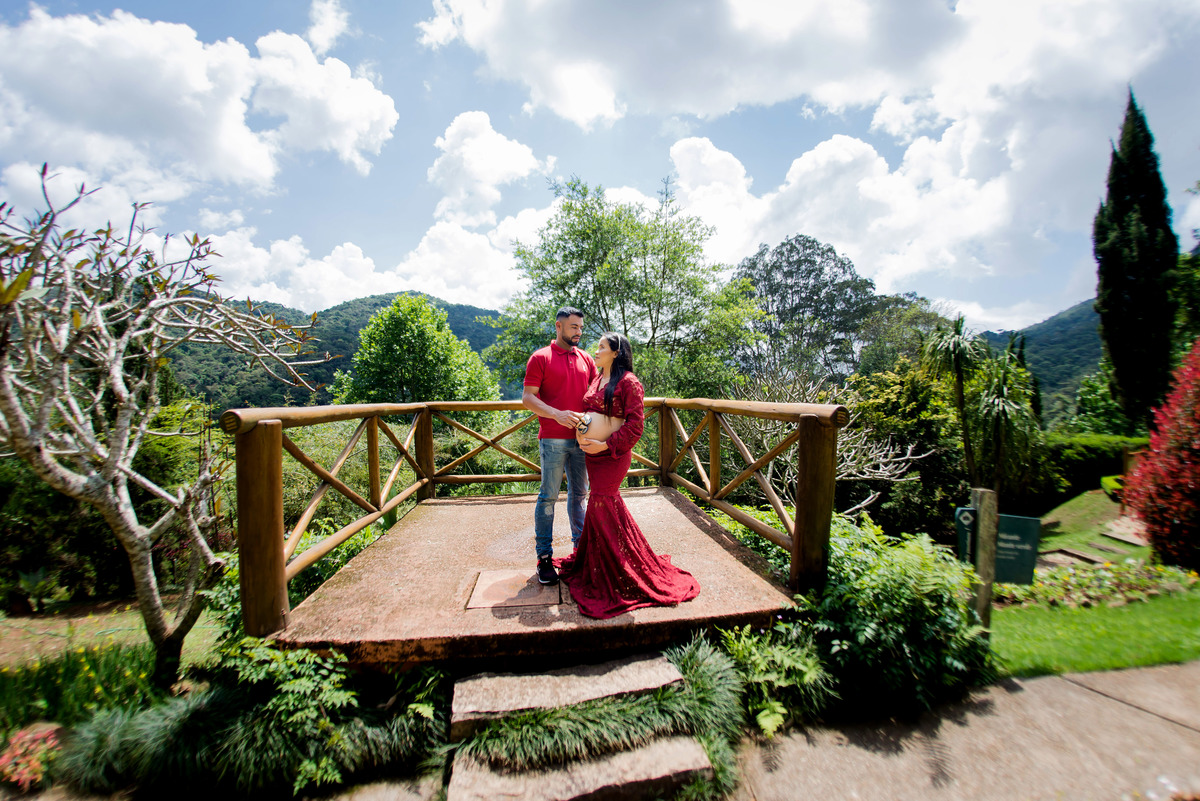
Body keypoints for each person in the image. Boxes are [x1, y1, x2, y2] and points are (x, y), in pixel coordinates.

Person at [557, 332, 700, 619]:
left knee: (602, 501)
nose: (595, 351)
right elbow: (592, 412)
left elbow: (636, 425)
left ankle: (617, 566)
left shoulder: (629, 382)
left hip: (613, 455)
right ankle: (599, 562)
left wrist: (605, 444)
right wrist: (585, 435)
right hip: (592, 453)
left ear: (616, 352)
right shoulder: (597, 379)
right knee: (599, 504)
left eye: (601, 347)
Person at [522, 307, 597, 585]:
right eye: (573, 327)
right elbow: (528, 398)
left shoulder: (587, 359)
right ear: (559, 326)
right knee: (548, 498)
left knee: (580, 496)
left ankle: (580, 551)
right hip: (552, 439)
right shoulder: (540, 357)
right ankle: (544, 559)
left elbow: (594, 397)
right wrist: (557, 414)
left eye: (580, 327)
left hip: (582, 439)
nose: (578, 332)